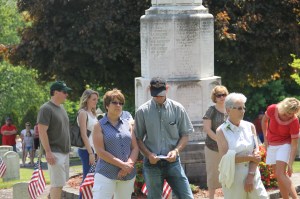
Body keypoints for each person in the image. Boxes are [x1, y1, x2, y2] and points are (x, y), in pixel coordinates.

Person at [134, 77, 194, 199]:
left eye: (160, 94)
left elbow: (185, 135)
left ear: (167, 89)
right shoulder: (142, 111)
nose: (158, 97)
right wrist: (148, 154)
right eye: (155, 95)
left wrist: (176, 151)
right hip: (152, 164)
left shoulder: (178, 108)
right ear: (150, 90)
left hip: (173, 163)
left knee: (187, 196)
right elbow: (138, 138)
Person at [216, 93, 268, 199]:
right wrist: (249, 157)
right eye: (239, 108)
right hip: (233, 177)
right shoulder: (221, 131)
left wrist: (251, 175)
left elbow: (256, 153)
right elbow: (226, 158)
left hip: (253, 174)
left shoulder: (250, 126)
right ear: (228, 110)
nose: (243, 111)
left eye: (244, 108)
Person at [92, 89, 139, 199]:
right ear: (107, 105)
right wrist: (122, 165)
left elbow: (135, 148)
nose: (118, 105)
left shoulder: (128, 125)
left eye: (121, 103)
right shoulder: (98, 126)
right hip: (105, 173)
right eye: (114, 102)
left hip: (127, 174)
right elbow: (100, 152)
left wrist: (129, 165)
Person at [37, 81, 72, 199]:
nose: (66, 94)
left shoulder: (61, 108)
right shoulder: (46, 109)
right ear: (55, 92)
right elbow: (42, 131)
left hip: (64, 152)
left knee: (60, 183)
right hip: (54, 152)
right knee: (57, 184)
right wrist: (48, 152)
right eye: (64, 92)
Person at [261, 97, 300, 199]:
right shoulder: (272, 109)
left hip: (284, 145)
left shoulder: (294, 121)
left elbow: (294, 144)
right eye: (287, 113)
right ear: (283, 107)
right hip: (271, 145)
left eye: (291, 114)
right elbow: (264, 121)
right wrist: (265, 138)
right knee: (278, 175)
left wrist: (290, 164)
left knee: (281, 173)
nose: (288, 116)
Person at [203, 85, 228, 199]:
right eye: (219, 95)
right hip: (212, 147)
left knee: (228, 173)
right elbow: (207, 129)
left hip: (228, 148)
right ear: (215, 97)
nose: (222, 97)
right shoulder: (211, 110)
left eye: (224, 94)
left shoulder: (230, 109)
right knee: (213, 175)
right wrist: (219, 140)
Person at [77, 89, 99, 199]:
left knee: (93, 180)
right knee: (87, 180)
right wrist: (91, 153)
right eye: (93, 99)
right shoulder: (83, 113)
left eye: (97, 99)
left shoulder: (93, 113)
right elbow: (83, 134)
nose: (96, 102)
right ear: (87, 99)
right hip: (86, 151)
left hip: (94, 151)